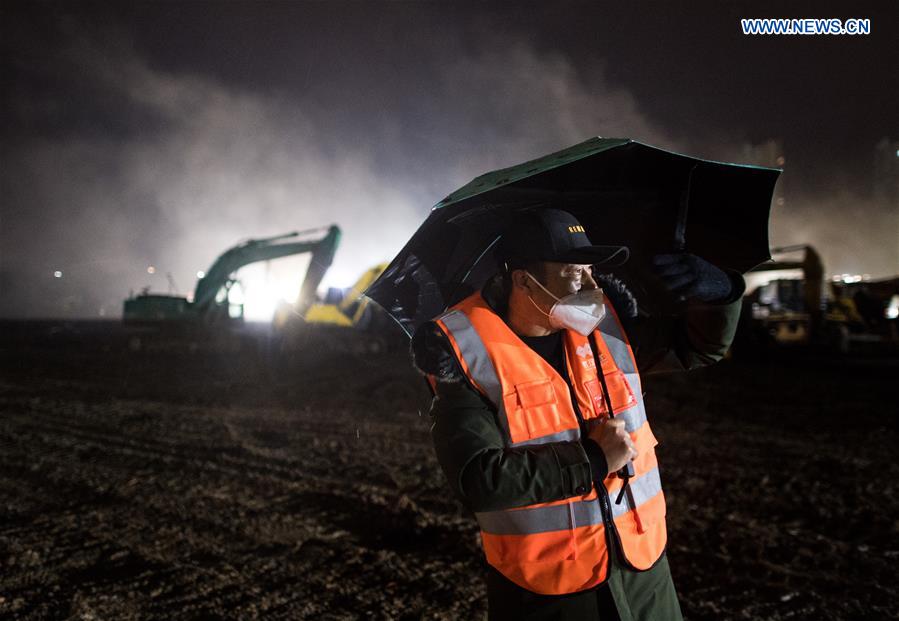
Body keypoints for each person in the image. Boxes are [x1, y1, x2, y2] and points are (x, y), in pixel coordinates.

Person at [410, 208, 745, 620]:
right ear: (524, 281)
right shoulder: (467, 356)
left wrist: (721, 292)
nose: (591, 285)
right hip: (549, 593)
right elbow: (480, 480)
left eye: (590, 271)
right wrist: (594, 459)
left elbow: (700, 346)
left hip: (643, 574)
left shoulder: (607, 329)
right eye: (574, 273)